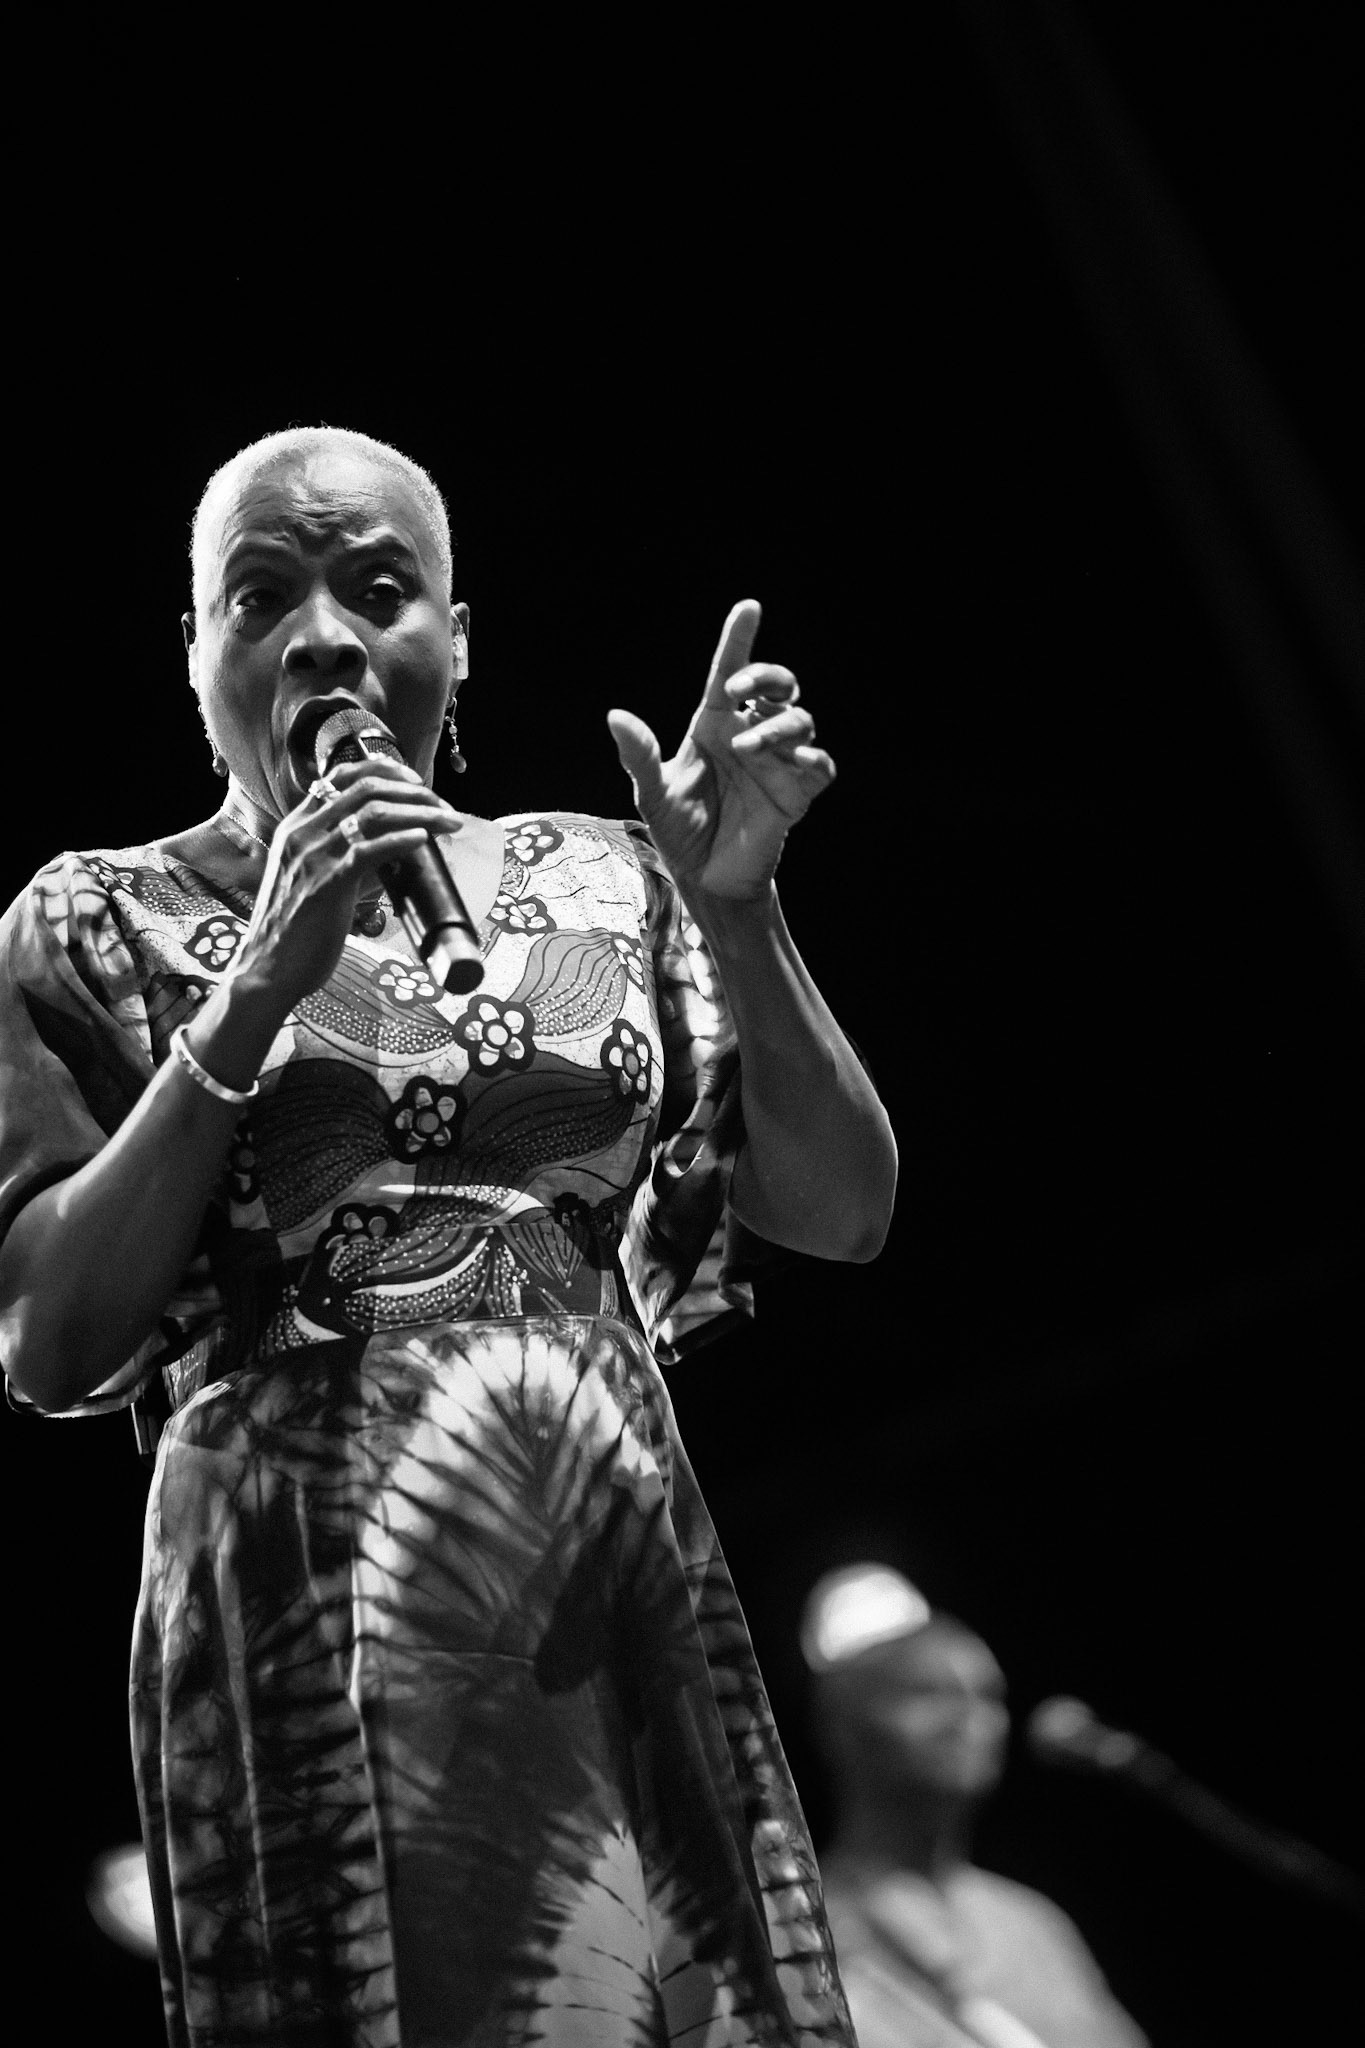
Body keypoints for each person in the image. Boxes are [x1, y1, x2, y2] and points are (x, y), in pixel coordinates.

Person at [0, 425, 897, 2047]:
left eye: (380, 586)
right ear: (198, 652)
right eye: (261, 594)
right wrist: (260, 982)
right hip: (315, 1605)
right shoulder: (99, 913)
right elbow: (54, 1343)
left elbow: (842, 1209)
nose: (324, 635)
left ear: (457, 637)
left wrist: (742, 911)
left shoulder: (613, 875)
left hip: (607, 1574)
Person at [802, 1565, 1149, 2048]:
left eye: (989, 1697)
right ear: (838, 1728)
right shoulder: (801, 1931)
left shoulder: (1033, 1924)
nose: (970, 1718)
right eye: (927, 1692)